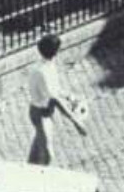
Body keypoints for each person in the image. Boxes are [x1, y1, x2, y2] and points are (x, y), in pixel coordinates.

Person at [26, 33, 87, 165]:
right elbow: (54, 99)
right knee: (48, 155)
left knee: (38, 147)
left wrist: (68, 96)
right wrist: (75, 121)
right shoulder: (42, 71)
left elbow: (56, 90)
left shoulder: (49, 66)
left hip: (45, 112)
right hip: (41, 114)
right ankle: (41, 182)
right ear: (56, 51)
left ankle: (28, 172)